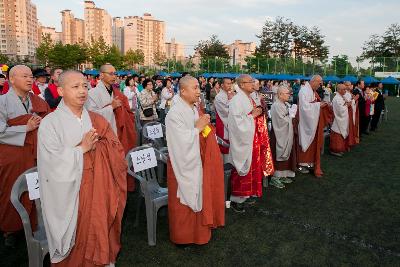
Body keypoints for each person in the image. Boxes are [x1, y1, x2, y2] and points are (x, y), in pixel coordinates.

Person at [38, 70, 127, 266]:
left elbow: (116, 149)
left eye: (85, 86)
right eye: (75, 87)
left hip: (99, 186)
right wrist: (82, 149)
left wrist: (99, 148)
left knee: (99, 229)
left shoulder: (97, 119)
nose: (82, 91)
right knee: (77, 239)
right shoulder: (49, 124)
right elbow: (50, 163)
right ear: (60, 91)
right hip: (70, 193)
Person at [165, 76, 225, 245]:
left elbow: (200, 132)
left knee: (201, 193)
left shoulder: (193, 108)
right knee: (182, 204)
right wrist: (198, 127)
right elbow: (179, 142)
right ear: (183, 91)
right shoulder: (174, 114)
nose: (199, 91)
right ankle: (182, 237)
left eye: (199, 87)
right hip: (182, 165)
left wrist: (202, 127)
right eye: (195, 88)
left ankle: (200, 234)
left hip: (197, 161)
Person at [0, 65, 50, 247]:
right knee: (11, 190)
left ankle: (34, 223)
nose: (30, 79)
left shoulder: (37, 100)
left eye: (30, 76)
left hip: (35, 153)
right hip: (11, 156)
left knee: (34, 189)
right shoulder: (2, 102)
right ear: (11, 79)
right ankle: (10, 229)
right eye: (24, 76)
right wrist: (26, 128)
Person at [86, 64, 137, 191]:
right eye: (111, 73)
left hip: (119, 133)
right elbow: (91, 116)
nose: (114, 76)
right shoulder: (92, 93)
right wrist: (111, 107)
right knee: (107, 170)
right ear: (101, 75)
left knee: (119, 165)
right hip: (104, 138)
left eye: (115, 73)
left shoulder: (116, 92)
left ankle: (121, 189)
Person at [228, 75, 273, 212]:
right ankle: (237, 199)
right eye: (250, 82)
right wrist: (253, 115)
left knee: (252, 167)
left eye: (253, 81)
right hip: (244, 140)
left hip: (253, 138)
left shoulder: (249, 97)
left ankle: (247, 194)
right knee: (242, 168)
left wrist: (257, 112)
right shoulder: (236, 100)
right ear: (242, 84)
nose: (253, 83)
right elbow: (236, 123)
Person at [297, 75, 332, 177]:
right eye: (319, 83)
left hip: (313, 121)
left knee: (313, 142)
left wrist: (319, 104)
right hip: (305, 122)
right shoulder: (304, 90)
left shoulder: (312, 91)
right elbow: (304, 108)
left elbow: (313, 104)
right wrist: (318, 105)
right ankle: (301, 164)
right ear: (313, 81)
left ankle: (309, 163)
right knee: (304, 141)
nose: (320, 85)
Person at [270, 85, 297, 189]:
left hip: (286, 133)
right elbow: (281, 121)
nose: (289, 95)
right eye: (287, 93)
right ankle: (275, 178)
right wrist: (291, 117)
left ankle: (283, 175)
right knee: (278, 153)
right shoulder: (276, 105)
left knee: (286, 153)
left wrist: (291, 115)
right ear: (280, 94)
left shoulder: (285, 104)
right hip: (279, 134)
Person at [214, 78, 234, 155]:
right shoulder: (219, 97)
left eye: (230, 83)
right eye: (228, 84)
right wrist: (231, 99)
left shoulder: (229, 94)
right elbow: (227, 112)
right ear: (222, 85)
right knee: (224, 149)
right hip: (223, 124)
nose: (230, 85)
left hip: (230, 124)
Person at [329, 84, 350, 157]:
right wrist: (347, 105)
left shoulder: (340, 97)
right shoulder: (337, 98)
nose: (345, 90)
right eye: (344, 89)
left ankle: (339, 149)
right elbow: (340, 110)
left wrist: (346, 104)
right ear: (339, 90)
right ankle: (334, 150)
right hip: (337, 121)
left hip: (340, 121)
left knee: (340, 135)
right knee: (337, 136)